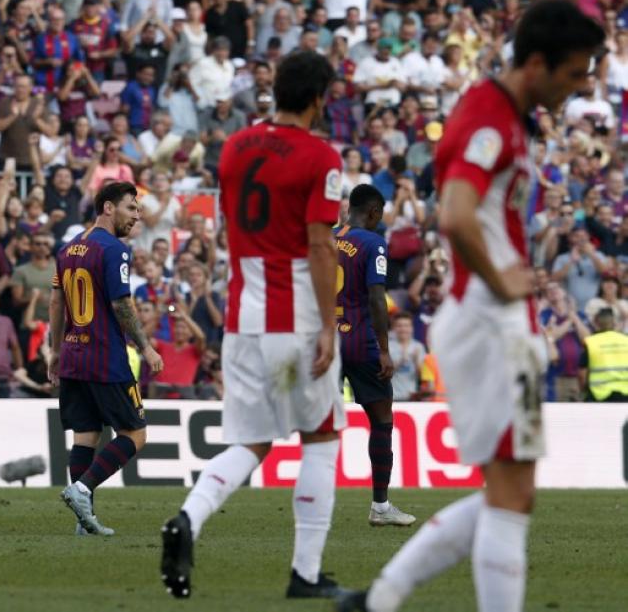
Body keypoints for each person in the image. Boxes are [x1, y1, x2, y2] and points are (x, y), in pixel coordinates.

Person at [336, 0, 605, 612]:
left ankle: (379, 598)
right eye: (574, 74)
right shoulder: (488, 118)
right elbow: (455, 215)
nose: (582, 87)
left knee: (513, 494)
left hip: (503, 322)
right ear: (537, 62)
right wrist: (505, 280)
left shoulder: (508, 116)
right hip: (490, 323)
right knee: (511, 497)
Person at [161, 51, 344, 600]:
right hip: (295, 317)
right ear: (318, 97)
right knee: (321, 437)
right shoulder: (321, 157)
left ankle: (188, 520)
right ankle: (305, 574)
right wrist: (331, 326)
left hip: (242, 316)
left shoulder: (236, 148)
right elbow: (318, 244)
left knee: (252, 441)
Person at [50, 181, 164, 536]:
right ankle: (81, 490)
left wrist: (54, 351)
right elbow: (120, 304)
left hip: (72, 353)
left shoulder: (68, 249)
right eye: (131, 208)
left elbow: (56, 302)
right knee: (135, 433)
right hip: (104, 355)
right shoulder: (114, 249)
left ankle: (84, 522)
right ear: (108, 208)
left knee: (85, 436)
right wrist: (144, 346)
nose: (136, 215)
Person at [336, 184, 415, 526]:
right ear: (372, 212)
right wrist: (384, 350)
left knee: (320, 426)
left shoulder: (327, 238)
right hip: (360, 341)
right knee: (382, 420)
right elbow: (376, 297)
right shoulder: (373, 242)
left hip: (326, 339)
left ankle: (313, 504)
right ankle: (380, 507)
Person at [580, 307, 628, 402]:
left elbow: (582, 374)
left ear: (596, 324)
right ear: (615, 323)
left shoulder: (591, 342)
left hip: (598, 395)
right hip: (625, 395)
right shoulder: (626, 340)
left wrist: (584, 391)